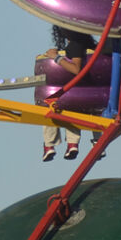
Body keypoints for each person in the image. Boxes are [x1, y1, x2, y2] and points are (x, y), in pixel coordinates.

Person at [38, 25, 94, 161]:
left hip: (72, 93)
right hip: (85, 92)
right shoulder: (89, 47)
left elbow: (76, 69)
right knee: (69, 108)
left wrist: (56, 58)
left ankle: (49, 144)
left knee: (48, 104)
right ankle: (72, 143)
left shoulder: (76, 46)